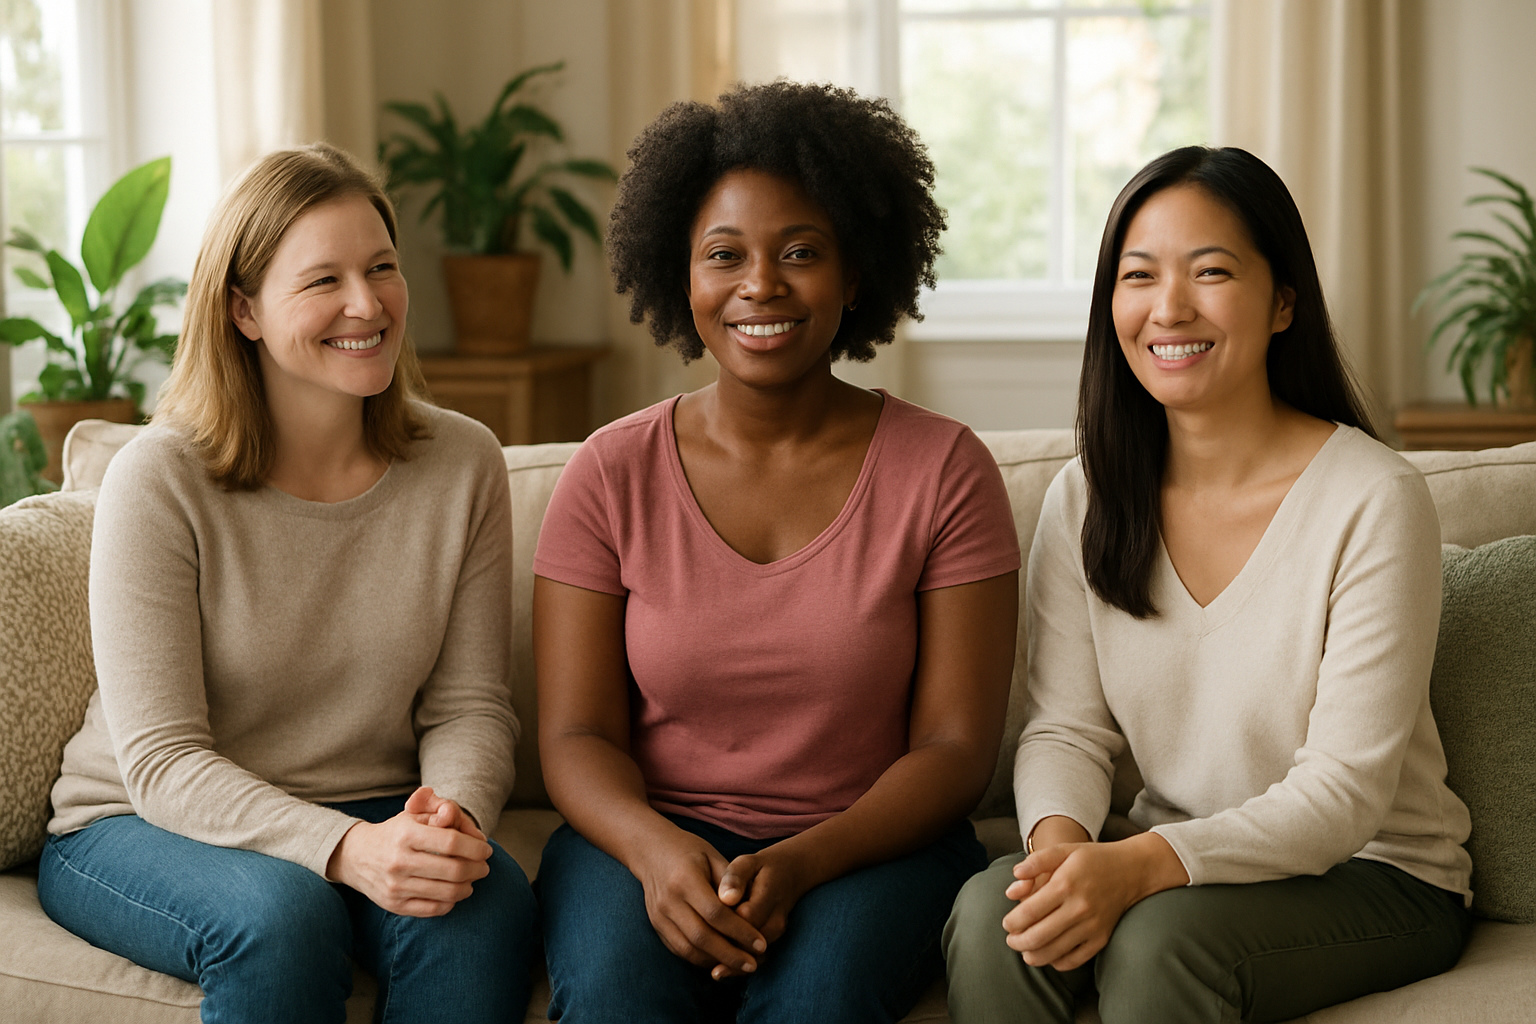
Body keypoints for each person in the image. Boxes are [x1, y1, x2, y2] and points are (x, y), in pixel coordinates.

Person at [942, 146, 1474, 1023]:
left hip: (1374, 872)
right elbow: (1067, 730)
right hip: (1165, 860)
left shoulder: (1373, 498)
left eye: (1212, 272)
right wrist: (1062, 856)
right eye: (1138, 275)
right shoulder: (1085, 496)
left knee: (1161, 944)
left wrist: (1142, 865)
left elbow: (1342, 794)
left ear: (1283, 302)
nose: (1169, 308)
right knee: (995, 915)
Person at [532, 81, 1021, 1023]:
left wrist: (805, 860)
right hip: (646, 836)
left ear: (855, 273)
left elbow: (957, 748)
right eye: (725, 256)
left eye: (801, 252)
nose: (760, 285)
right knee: (615, 1000)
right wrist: (654, 849)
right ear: (681, 274)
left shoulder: (945, 470)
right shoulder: (608, 472)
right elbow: (575, 736)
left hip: (872, 845)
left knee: (820, 1003)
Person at [37, 143, 538, 1023]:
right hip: (139, 822)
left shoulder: (464, 463)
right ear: (244, 309)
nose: (366, 303)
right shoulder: (160, 478)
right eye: (323, 281)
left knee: (483, 905)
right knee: (281, 916)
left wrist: (447, 824)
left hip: (380, 802)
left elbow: (469, 706)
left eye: (382, 267)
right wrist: (347, 850)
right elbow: (161, 761)